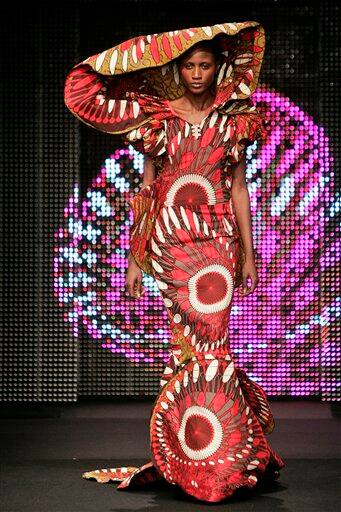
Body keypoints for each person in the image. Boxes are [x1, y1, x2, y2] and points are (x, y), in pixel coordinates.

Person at [64, 20, 285, 503]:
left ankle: (221, 456)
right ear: (177, 69)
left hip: (218, 243)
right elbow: (146, 193)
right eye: (189, 66)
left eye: (205, 65)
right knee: (186, 348)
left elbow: (239, 189)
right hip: (169, 244)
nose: (198, 74)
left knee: (213, 344)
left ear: (218, 66)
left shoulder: (235, 120)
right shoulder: (158, 121)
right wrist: (134, 261)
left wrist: (248, 254)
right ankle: (190, 455)